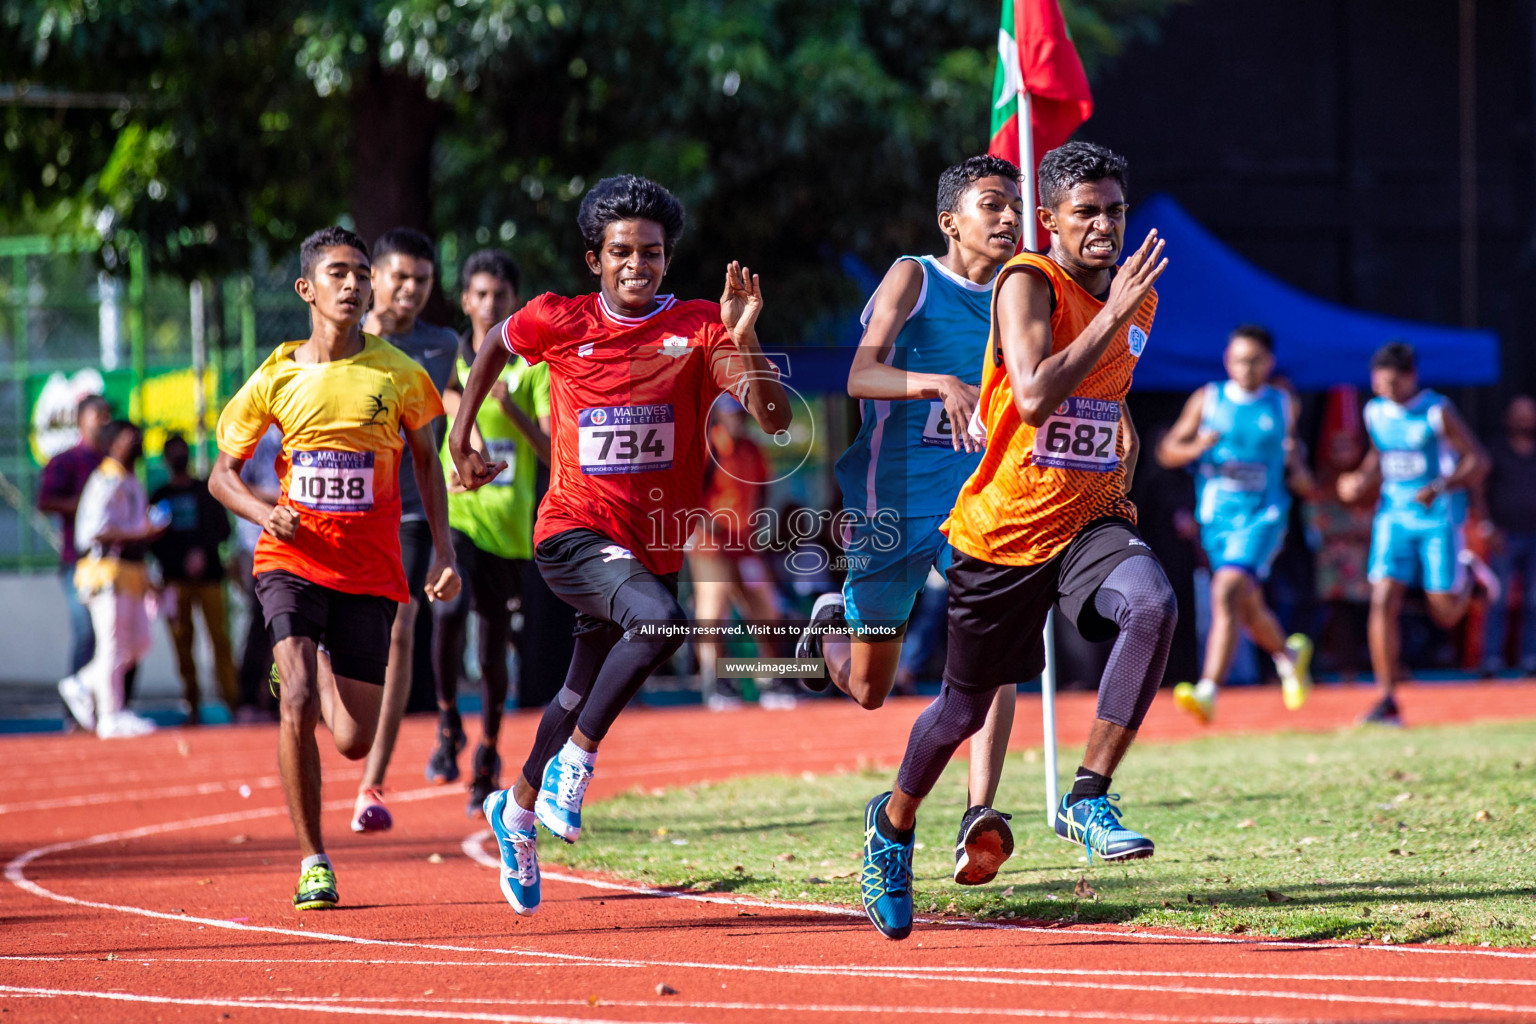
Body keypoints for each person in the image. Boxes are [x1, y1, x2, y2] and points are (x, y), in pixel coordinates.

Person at [449, 175, 790, 917]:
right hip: (571, 530)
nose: (639, 265)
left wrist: (746, 335)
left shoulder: (702, 328)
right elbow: (491, 349)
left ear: (668, 260)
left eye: (654, 254)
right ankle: (578, 762)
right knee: (661, 621)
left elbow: (774, 417)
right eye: (623, 253)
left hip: (647, 546)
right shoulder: (557, 320)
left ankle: (517, 803)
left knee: (575, 690)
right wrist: (460, 430)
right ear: (593, 259)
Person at [860, 141, 1172, 941]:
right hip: (1004, 530)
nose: (1105, 226)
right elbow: (1032, 396)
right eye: (1087, 213)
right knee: (960, 710)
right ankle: (892, 828)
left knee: (1153, 605)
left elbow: (1103, 387)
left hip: (1088, 516)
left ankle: (1088, 796)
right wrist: (1109, 313)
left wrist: (1122, 427)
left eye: (1116, 211)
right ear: (1053, 222)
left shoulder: (1137, 298)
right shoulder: (1026, 281)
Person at [209, 226, 459, 911]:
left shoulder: (399, 372)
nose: (353, 285)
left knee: (351, 740)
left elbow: (428, 463)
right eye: (338, 274)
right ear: (307, 289)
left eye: (360, 274)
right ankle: (313, 859)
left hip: (370, 569)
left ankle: (310, 663)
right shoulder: (277, 374)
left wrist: (442, 551)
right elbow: (220, 478)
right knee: (291, 702)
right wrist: (265, 514)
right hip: (291, 557)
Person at [796, 155, 1024, 885]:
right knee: (869, 689)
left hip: (978, 507)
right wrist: (937, 382)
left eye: (1016, 207)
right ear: (950, 220)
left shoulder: (1023, 294)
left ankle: (979, 814)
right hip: (889, 502)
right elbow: (859, 374)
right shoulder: (914, 277)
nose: (1010, 219)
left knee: (998, 651)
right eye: (993, 204)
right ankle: (830, 626)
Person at [427, 248, 551, 817]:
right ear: (465, 300)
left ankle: (489, 755)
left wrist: (510, 408)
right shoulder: (450, 360)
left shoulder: (531, 368)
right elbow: (432, 415)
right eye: (480, 294)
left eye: (500, 296)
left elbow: (554, 449)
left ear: (513, 302)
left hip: (509, 530)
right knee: (449, 608)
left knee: (493, 647)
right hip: (459, 519)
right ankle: (448, 717)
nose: (489, 304)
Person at [351, 227, 460, 833]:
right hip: (348, 510)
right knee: (335, 632)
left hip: (412, 510)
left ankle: (373, 781)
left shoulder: (442, 344)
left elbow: (459, 403)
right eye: (400, 277)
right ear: (375, 279)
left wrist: (464, 449)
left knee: (401, 633)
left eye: (422, 280)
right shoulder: (346, 340)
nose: (411, 290)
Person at [1154, 325, 1314, 723]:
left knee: (1226, 589)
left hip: (1264, 516)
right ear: (1228, 360)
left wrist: (1297, 463)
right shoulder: (1209, 399)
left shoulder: (1282, 403)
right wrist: (1197, 446)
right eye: (1241, 359)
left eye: (1256, 360)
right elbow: (1168, 451)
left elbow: (1299, 467)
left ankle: (1208, 690)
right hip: (1217, 519)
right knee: (1246, 602)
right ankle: (1287, 655)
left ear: (1269, 362)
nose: (1248, 367)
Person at [1339, 341, 1487, 725]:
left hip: (1438, 517)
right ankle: (1386, 698)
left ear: (1411, 378)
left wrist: (1439, 486)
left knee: (1445, 614)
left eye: (1394, 384)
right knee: (1382, 598)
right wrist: (1359, 480)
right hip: (1393, 517)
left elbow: (1477, 460)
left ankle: (1471, 578)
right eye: (1381, 383)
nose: (1388, 391)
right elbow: (1380, 455)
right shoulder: (1375, 412)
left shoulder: (1437, 410)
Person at [57, 420, 165, 738]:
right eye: (129, 438)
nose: (136, 442)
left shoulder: (131, 480)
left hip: (131, 574)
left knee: (137, 644)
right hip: (106, 572)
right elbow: (92, 531)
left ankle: (82, 683)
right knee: (113, 646)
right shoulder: (104, 480)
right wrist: (140, 532)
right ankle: (110, 715)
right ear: (112, 443)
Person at [689, 396, 788, 710]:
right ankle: (718, 683)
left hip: (744, 544)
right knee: (713, 609)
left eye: (742, 415)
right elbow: (689, 495)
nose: (738, 420)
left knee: (766, 610)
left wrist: (758, 524)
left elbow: (763, 487)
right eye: (732, 414)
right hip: (710, 544)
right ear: (719, 415)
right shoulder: (710, 446)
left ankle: (771, 681)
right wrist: (707, 524)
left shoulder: (751, 449)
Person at [150, 433, 238, 723]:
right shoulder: (160, 496)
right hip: (175, 582)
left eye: (182, 451)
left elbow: (223, 529)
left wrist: (202, 552)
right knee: (182, 644)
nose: (178, 456)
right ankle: (192, 705)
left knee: (220, 640)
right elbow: (152, 539)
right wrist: (179, 561)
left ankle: (233, 703)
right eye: (172, 452)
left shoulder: (205, 490)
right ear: (165, 459)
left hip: (211, 578)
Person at [37, 394, 113, 678]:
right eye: (98, 415)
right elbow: (45, 502)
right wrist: (86, 507)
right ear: (81, 420)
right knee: (86, 632)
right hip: (78, 562)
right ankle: (76, 709)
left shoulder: (112, 462)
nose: (105, 422)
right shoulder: (66, 461)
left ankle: (110, 707)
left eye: (107, 415)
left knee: (116, 637)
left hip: (114, 563)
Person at [1479, 394, 1536, 676]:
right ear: (1507, 417)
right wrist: (1487, 525)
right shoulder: (1496, 449)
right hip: (1504, 534)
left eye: (1529, 413)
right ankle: (1491, 659)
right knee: (1497, 599)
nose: (1524, 419)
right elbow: (1480, 490)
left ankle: (1531, 658)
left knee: (1534, 600)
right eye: (1519, 413)